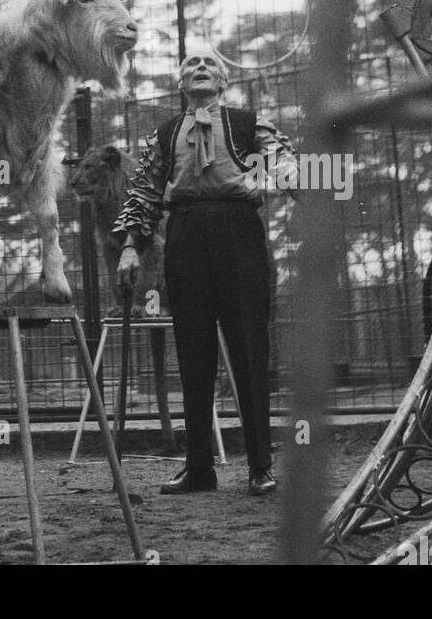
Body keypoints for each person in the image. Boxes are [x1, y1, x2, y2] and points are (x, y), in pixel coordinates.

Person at [113, 47, 297, 496]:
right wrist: (131, 247)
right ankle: (199, 468)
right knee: (193, 354)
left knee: (249, 348)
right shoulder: (164, 134)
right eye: (191, 66)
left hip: (239, 233)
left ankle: (259, 467)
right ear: (180, 86)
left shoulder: (250, 124)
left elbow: (282, 161)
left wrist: (304, 187)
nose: (199, 69)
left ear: (222, 83)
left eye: (209, 65)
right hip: (185, 236)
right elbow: (144, 192)